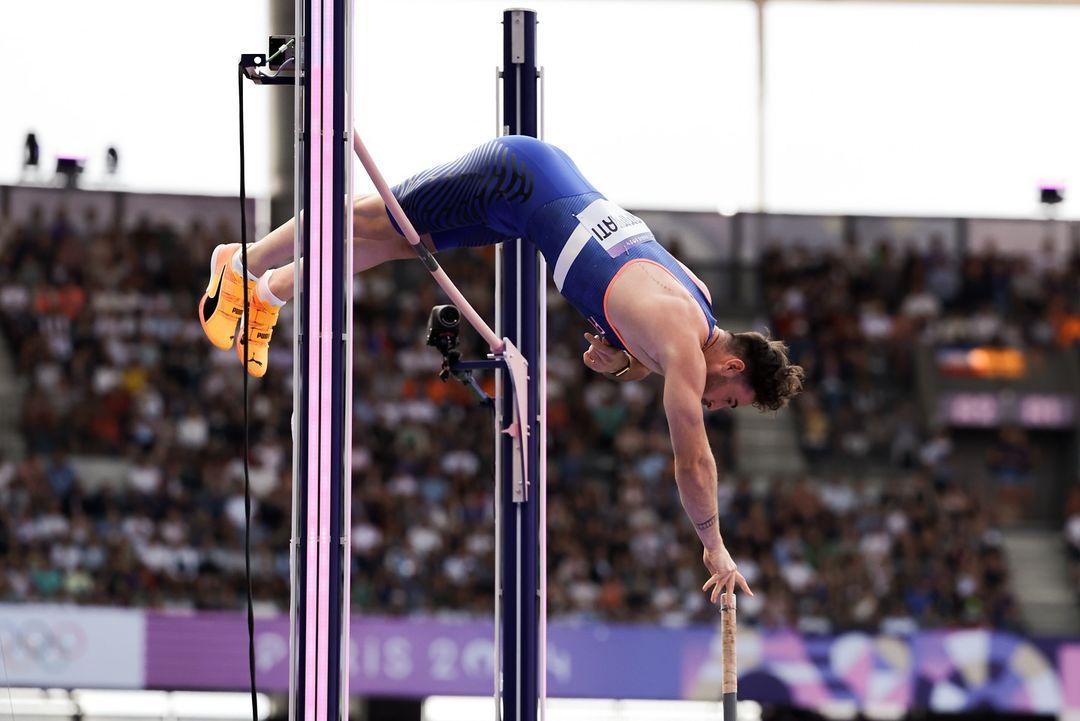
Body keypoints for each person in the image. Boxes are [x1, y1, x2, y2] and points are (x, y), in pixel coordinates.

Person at [198, 135, 804, 603]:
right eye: (726, 397)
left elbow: (641, 348)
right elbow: (693, 459)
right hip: (519, 180)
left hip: (529, 205)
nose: (712, 405)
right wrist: (713, 547)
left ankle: (270, 291)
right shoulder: (682, 338)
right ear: (730, 363)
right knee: (370, 219)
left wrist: (618, 363)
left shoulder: (693, 305)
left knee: (398, 241)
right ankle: (240, 260)